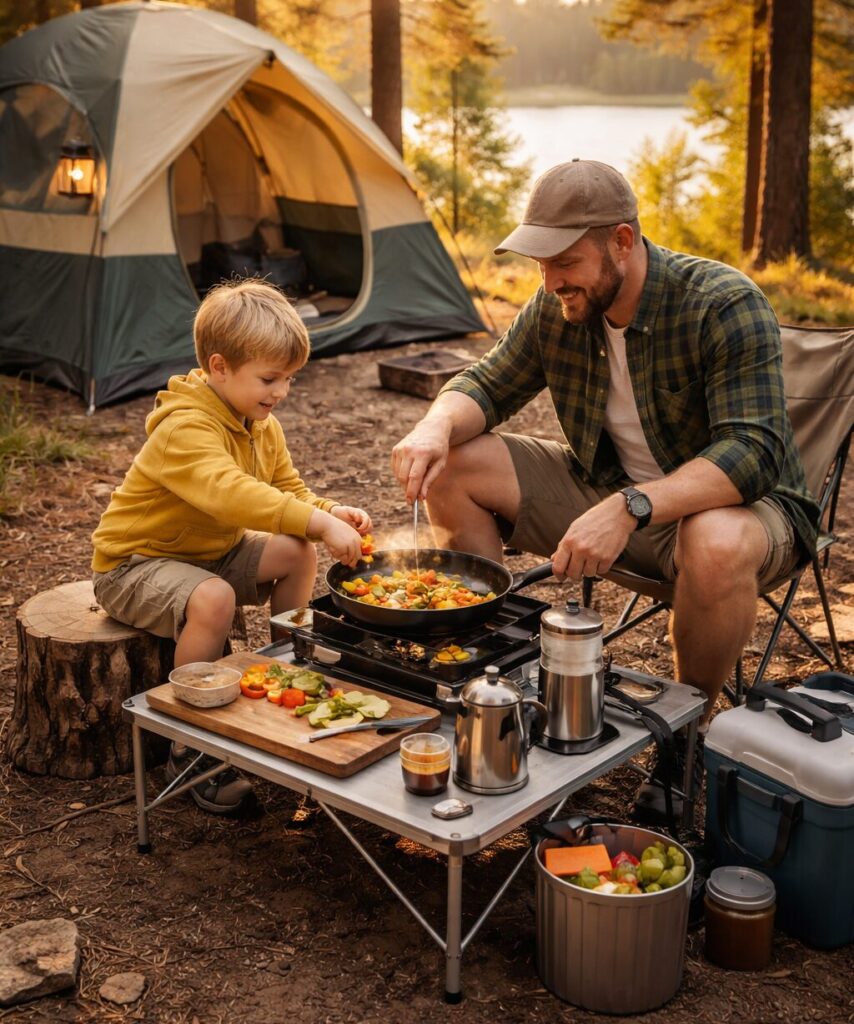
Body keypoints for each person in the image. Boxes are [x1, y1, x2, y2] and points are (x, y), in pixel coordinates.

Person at [391, 159, 819, 823]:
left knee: (714, 536)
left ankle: (680, 739)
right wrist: (432, 427)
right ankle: (491, 679)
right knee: (455, 461)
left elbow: (752, 453)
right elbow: (486, 384)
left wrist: (630, 509)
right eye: (541, 263)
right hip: (610, 490)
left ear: (623, 240)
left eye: (564, 260)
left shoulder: (721, 302)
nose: (551, 280)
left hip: (737, 515)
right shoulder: (560, 304)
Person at [92, 278, 372, 814]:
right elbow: (229, 494)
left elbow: (287, 489)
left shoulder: (261, 423)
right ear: (219, 367)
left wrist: (328, 513)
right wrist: (316, 519)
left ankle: (293, 666)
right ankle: (189, 743)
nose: (281, 392)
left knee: (296, 548)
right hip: (134, 565)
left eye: (289, 378)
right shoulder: (184, 428)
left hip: (209, 552)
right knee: (215, 597)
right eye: (269, 378)